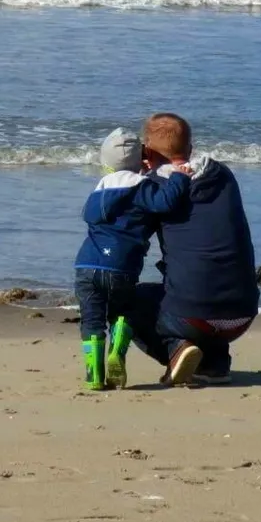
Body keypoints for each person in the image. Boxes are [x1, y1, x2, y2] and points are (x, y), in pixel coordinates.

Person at [133, 113, 259, 386]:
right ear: (190, 148)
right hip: (242, 312)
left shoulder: (156, 188)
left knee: (130, 299)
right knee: (203, 271)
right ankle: (215, 365)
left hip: (193, 316)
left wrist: (139, 174)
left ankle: (174, 349)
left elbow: (129, 237)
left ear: (147, 151)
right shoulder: (222, 174)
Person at [72, 127, 192, 391]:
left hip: (86, 264)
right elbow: (166, 203)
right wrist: (179, 178)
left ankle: (94, 373)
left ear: (105, 164)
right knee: (122, 312)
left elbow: (88, 216)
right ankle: (118, 352)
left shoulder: (99, 191)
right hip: (122, 266)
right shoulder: (142, 187)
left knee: (91, 320)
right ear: (142, 159)